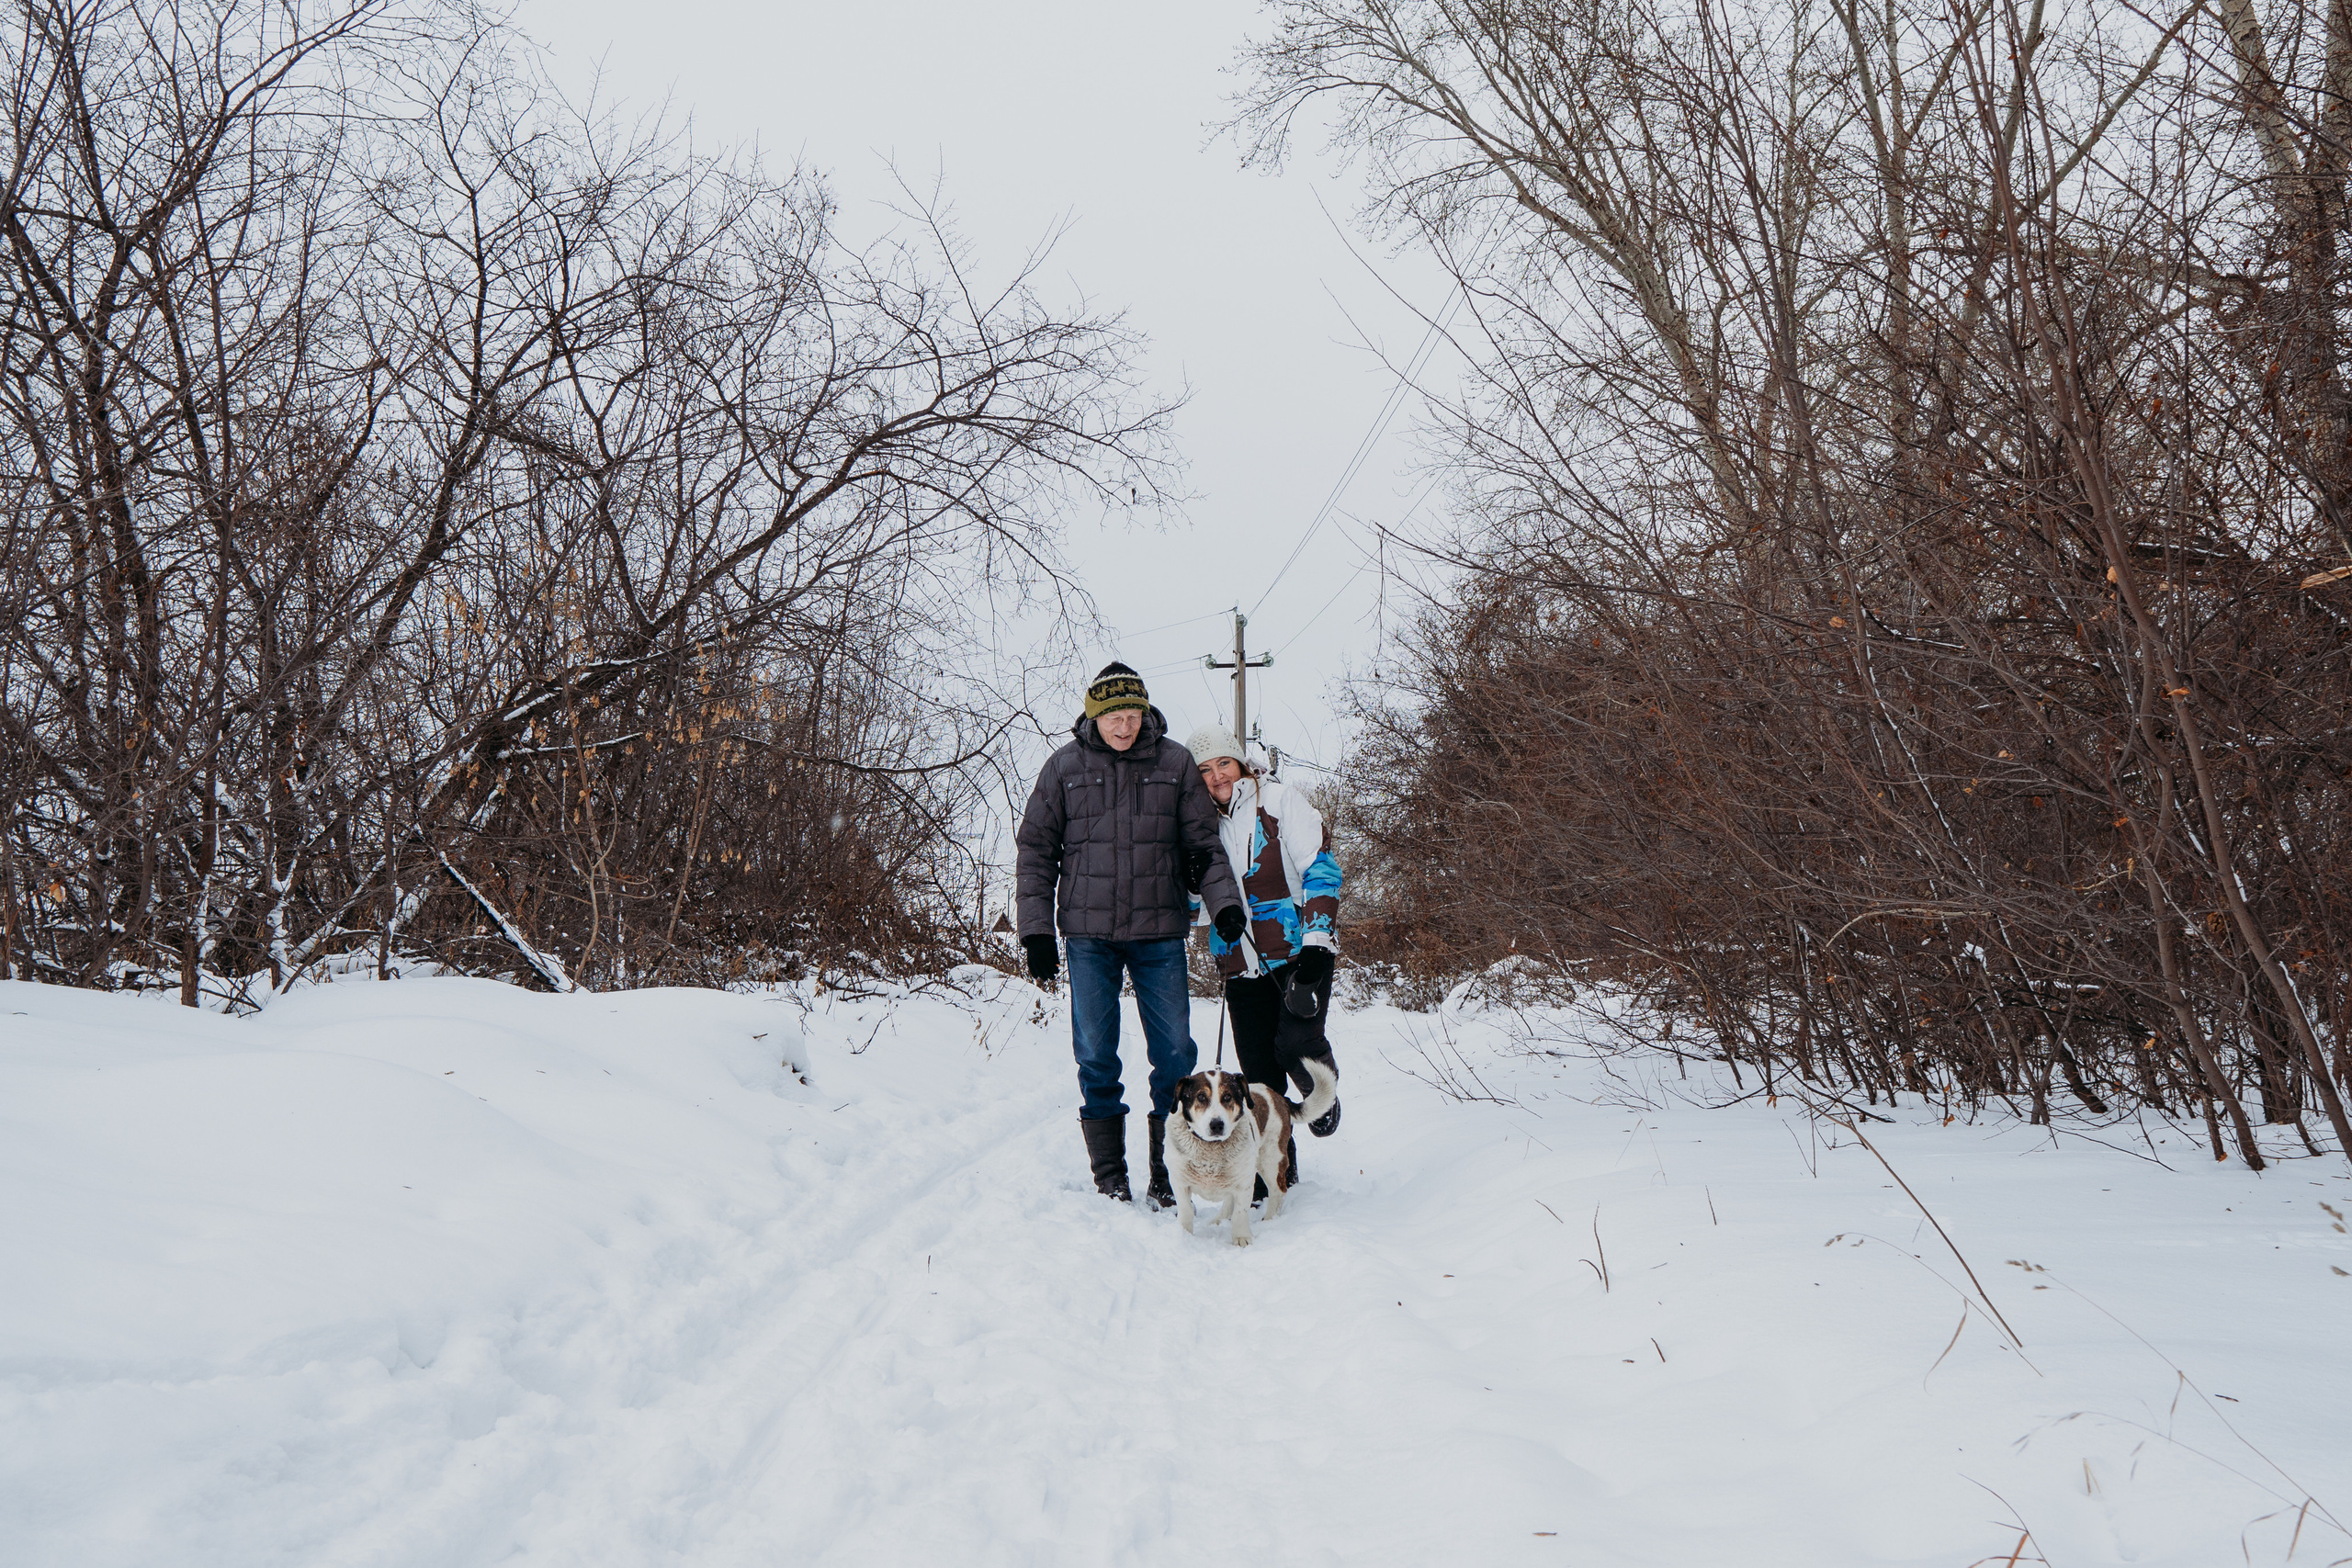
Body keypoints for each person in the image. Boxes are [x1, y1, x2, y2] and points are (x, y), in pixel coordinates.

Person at [1017, 662, 1245, 1207]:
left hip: (1158, 932)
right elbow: (1036, 850)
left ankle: (1169, 1173)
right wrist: (1035, 931)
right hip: (1088, 935)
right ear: (1094, 716)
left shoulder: (1174, 763)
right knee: (1096, 1054)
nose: (1125, 726)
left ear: (1145, 713)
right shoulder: (1064, 767)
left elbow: (1204, 846)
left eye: (1133, 715)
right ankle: (1110, 1176)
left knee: (1175, 1055)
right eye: (1114, 716)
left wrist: (1225, 906)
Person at [1186, 725, 1343, 1191]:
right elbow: (1194, 910)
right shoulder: (1199, 825)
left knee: (1294, 1044)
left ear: (1240, 763)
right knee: (1258, 1074)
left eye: (1224, 763)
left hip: (1299, 951)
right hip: (1240, 962)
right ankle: (1278, 1169)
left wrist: (1317, 940)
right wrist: (1191, 887)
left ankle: (1322, 1093)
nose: (1217, 776)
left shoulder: (1278, 802)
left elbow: (1321, 870)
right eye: (1205, 770)